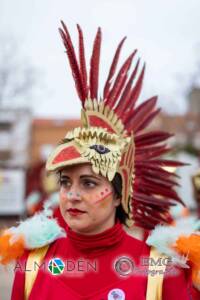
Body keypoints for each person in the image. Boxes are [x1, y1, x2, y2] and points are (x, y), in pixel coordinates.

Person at [0, 22, 199, 300]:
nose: (72, 195)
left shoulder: (160, 269)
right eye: (65, 182)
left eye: (89, 183)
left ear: (118, 196)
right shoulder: (33, 264)